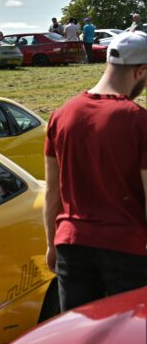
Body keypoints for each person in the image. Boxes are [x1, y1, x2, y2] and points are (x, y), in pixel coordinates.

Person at [44, 30, 147, 311]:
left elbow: (52, 191)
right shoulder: (139, 122)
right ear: (140, 71)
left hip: (71, 243)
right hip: (126, 247)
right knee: (129, 343)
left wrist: (52, 245)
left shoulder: (61, 114)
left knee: (79, 341)